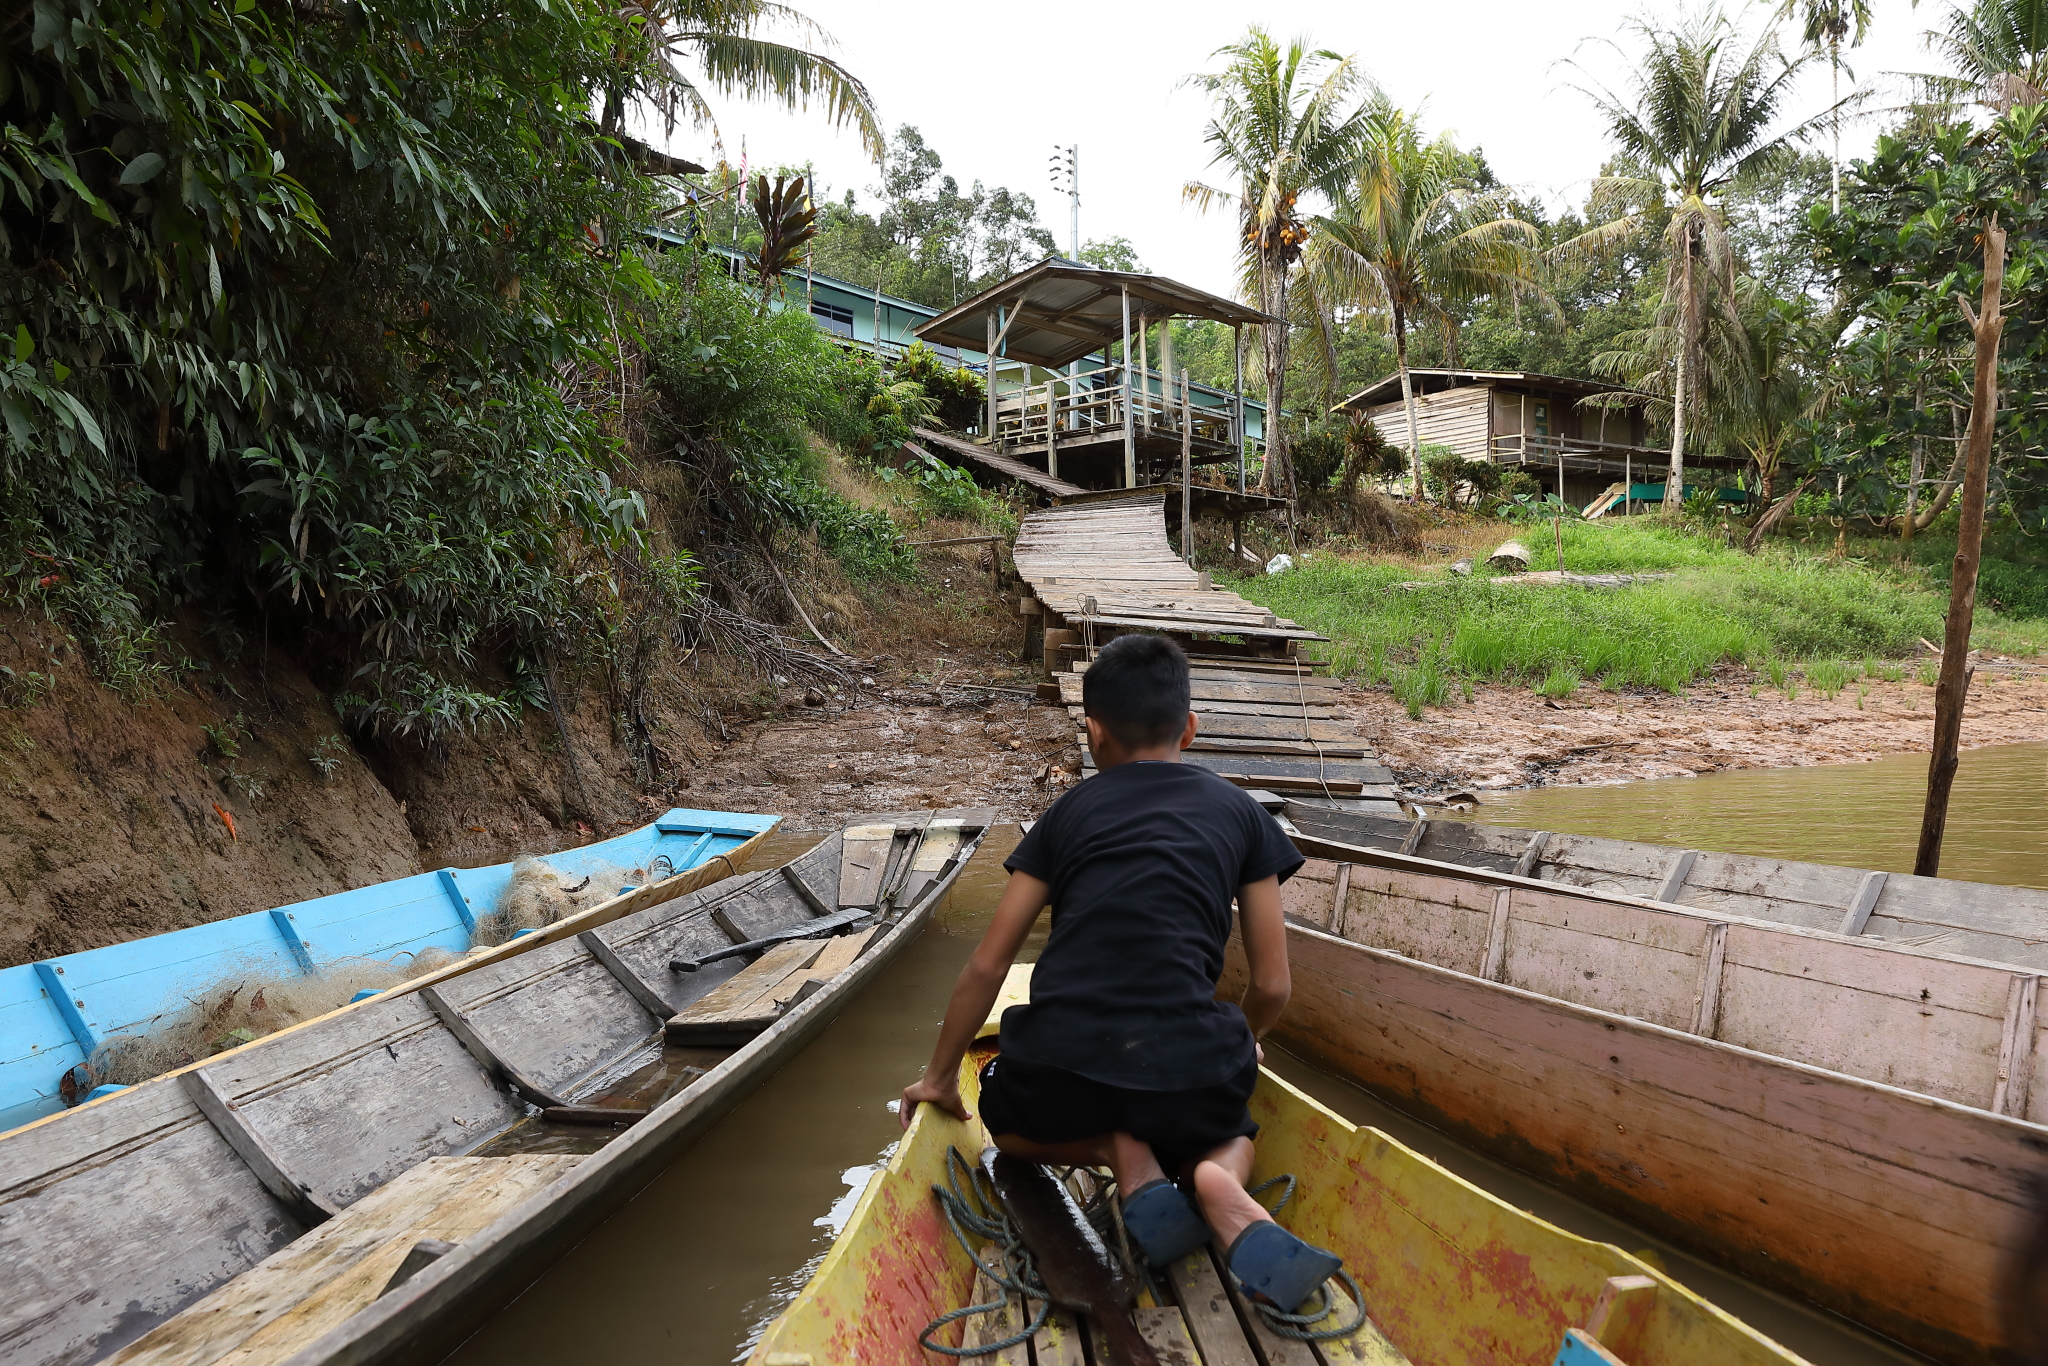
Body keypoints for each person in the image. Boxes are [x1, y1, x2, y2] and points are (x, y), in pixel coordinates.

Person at [899, 632, 1343, 1311]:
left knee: (999, 1112)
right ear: (1190, 729)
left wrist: (936, 1077)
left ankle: (1117, 1150)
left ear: (1094, 733)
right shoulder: (1246, 818)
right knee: (1230, 1132)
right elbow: (1273, 984)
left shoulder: (1065, 816)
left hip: (1063, 1071)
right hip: (1191, 1073)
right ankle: (1219, 1181)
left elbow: (988, 964)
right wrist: (1242, 1038)